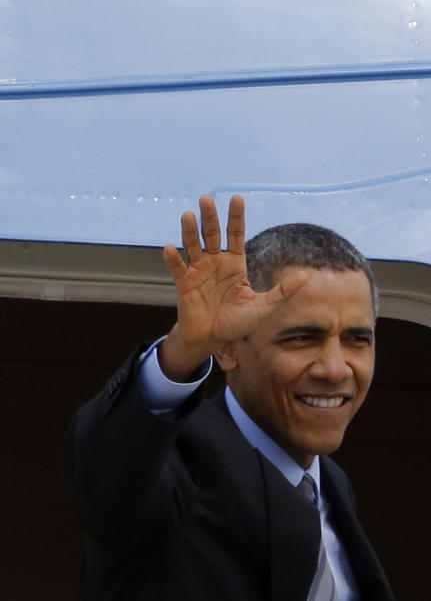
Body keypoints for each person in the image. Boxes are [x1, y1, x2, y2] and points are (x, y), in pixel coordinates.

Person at [61, 194, 394, 601]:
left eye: (356, 340)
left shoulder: (332, 487)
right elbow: (104, 476)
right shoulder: (174, 467)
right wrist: (183, 350)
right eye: (303, 339)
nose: (335, 369)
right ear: (230, 347)